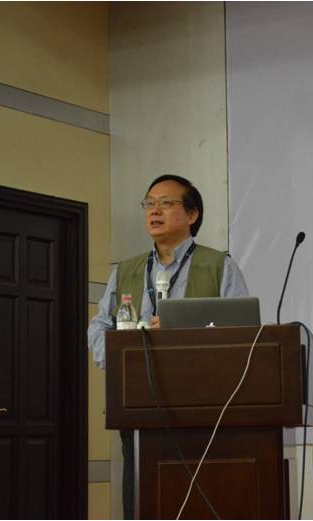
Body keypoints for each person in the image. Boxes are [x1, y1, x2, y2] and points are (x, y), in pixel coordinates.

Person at [87, 174, 249, 519]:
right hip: (137, 404)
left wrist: (181, 332)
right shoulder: (126, 270)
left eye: (165, 203)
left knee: (199, 499)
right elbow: (100, 325)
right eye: (149, 203)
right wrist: (117, 360)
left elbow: (241, 331)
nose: (154, 211)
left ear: (192, 214)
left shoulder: (218, 266)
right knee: (141, 500)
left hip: (201, 407)